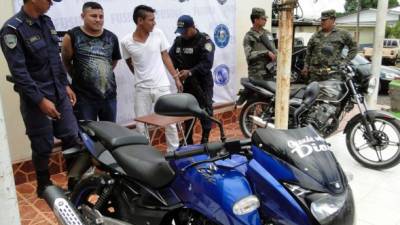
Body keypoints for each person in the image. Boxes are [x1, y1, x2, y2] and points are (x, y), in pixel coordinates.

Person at [0, 0, 80, 197]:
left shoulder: (47, 22)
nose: (52, 2)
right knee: (42, 144)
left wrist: (65, 85)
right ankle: (43, 185)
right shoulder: (12, 29)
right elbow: (19, 72)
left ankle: (74, 181)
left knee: (71, 135)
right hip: (35, 98)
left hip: (59, 92)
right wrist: (40, 100)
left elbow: (55, 58)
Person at [120, 5, 182, 152]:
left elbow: (165, 56)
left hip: (162, 86)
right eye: (151, 20)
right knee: (141, 125)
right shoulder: (125, 41)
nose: (154, 23)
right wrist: (140, 76)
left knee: (170, 122)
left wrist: (176, 77)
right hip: (141, 89)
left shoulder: (158, 34)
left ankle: (174, 153)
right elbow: (130, 62)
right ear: (140, 20)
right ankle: (145, 154)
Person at [62, 2, 121, 122]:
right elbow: (65, 62)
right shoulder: (72, 36)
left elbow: (113, 62)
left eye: (101, 16)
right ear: (83, 16)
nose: (98, 20)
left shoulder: (112, 37)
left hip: (109, 97)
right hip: (84, 99)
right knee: (87, 137)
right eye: (94, 16)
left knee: (110, 133)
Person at [169, 15, 215, 144]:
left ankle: (205, 140)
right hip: (187, 84)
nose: (183, 34)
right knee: (187, 111)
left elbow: (207, 63)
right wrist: (177, 75)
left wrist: (190, 72)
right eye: (181, 32)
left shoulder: (205, 41)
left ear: (193, 27)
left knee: (205, 110)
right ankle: (188, 140)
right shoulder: (178, 41)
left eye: (185, 31)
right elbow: (170, 59)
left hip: (202, 83)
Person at [302, 9, 357, 82]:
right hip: (315, 75)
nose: (322, 22)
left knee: (332, 93)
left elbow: (354, 48)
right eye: (321, 20)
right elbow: (308, 53)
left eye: (324, 20)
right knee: (314, 92)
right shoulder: (315, 36)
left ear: (333, 20)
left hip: (333, 74)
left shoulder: (343, 34)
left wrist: (345, 62)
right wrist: (306, 67)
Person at [243, 7, 277, 81]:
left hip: (270, 72)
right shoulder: (249, 36)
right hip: (257, 75)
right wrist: (265, 53)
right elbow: (249, 56)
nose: (266, 20)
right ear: (255, 20)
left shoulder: (268, 34)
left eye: (265, 18)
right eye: (263, 18)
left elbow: (273, 49)